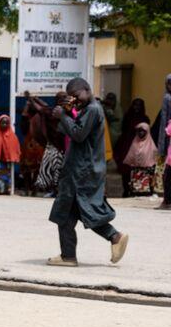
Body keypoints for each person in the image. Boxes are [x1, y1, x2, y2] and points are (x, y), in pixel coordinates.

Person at [47, 78, 128, 267]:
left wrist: (63, 117)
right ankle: (69, 255)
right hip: (79, 170)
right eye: (71, 98)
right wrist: (68, 113)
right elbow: (72, 131)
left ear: (87, 89)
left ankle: (114, 237)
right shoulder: (87, 109)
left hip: (82, 173)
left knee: (78, 212)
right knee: (67, 214)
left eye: (77, 96)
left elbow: (78, 134)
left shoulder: (92, 109)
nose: (75, 100)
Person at [115, 98, 150, 197]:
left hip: (139, 147)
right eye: (135, 105)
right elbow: (123, 129)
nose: (137, 108)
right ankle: (126, 190)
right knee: (126, 170)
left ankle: (135, 190)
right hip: (126, 145)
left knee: (137, 169)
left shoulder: (145, 119)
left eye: (139, 105)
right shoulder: (127, 116)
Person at [0, 114, 21, 194]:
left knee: (7, 174)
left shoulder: (12, 135)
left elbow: (15, 147)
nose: (4, 125)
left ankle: (6, 189)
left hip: (8, 159)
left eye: (6, 123)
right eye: (2, 123)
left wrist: (14, 156)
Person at [123, 122, 158, 196]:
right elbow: (130, 157)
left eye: (143, 131)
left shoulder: (152, 146)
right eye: (139, 131)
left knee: (146, 192)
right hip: (136, 172)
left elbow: (154, 161)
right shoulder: (134, 143)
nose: (140, 133)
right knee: (136, 192)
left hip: (147, 173)